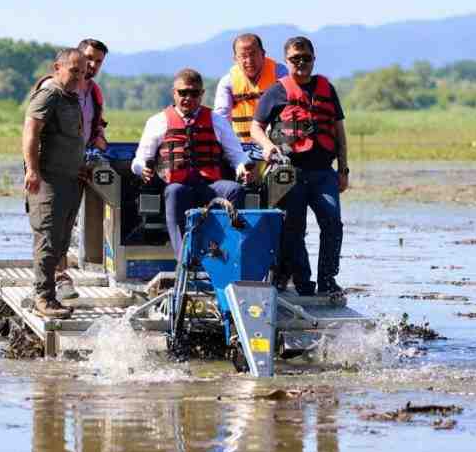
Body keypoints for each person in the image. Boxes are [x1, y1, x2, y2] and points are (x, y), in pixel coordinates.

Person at [251, 36, 350, 296]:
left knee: (333, 223)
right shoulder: (277, 91)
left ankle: (328, 280)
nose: (302, 63)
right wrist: (267, 146)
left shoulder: (327, 89)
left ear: (314, 58)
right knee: (292, 228)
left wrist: (343, 169)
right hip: (287, 169)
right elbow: (256, 127)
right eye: (296, 59)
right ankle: (303, 283)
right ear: (287, 61)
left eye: (306, 58)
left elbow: (339, 131)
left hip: (322, 171)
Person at [132, 68, 253, 259]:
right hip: (177, 185)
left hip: (209, 185)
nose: (188, 98)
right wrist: (142, 169)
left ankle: (224, 251)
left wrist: (242, 167)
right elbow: (139, 159)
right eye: (183, 93)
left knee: (234, 190)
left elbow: (237, 155)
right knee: (175, 192)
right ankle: (185, 258)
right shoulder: (157, 121)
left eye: (194, 93)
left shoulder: (217, 121)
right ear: (174, 93)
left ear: (202, 94)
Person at [23, 48, 87, 318]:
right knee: (47, 239)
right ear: (57, 67)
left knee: (61, 241)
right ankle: (44, 299)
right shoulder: (49, 94)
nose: (78, 77)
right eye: (74, 71)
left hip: (70, 179)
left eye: (82, 72)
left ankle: (47, 294)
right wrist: (32, 171)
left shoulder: (71, 97)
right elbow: (30, 132)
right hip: (48, 179)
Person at [52, 38, 109, 301]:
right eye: (88, 58)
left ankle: (62, 274)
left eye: (98, 61)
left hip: (80, 163)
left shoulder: (94, 92)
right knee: (53, 224)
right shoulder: (57, 88)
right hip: (54, 165)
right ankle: (59, 280)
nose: (92, 65)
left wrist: (99, 136)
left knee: (68, 222)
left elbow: (96, 125)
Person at [213, 33, 288, 144]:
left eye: (253, 54)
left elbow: (289, 108)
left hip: (276, 144)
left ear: (263, 54)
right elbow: (221, 117)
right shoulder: (227, 82)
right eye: (243, 56)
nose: (249, 60)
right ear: (235, 59)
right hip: (242, 146)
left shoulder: (279, 73)